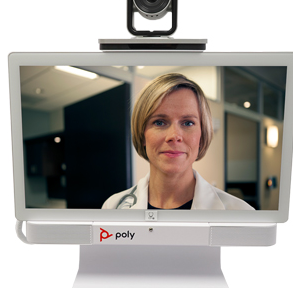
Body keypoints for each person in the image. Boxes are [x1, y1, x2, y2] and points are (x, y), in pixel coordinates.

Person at [102, 73, 254, 210]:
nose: (174, 136)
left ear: (202, 135)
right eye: (159, 122)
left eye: (188, 123)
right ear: (142, 135)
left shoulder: (240, 214)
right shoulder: (112, 208)